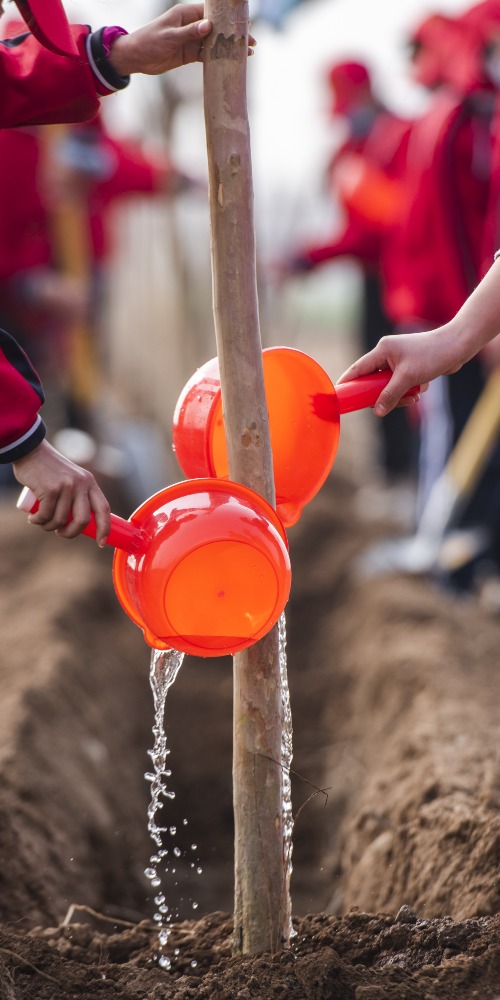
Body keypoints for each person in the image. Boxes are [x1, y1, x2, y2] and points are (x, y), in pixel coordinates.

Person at [0, 0, 252, 543]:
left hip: (74, 283)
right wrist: (22, 444)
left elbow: (116, 166)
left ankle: (71, 437)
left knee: (61, 381)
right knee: (33, 376)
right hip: (21, 291)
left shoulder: (75, 135)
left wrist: (114, 55)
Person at [279, 60, 417, 488]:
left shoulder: (401, 139)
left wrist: (309, 256)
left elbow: (379, 227)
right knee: (378, 372)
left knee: (400, 379)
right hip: (378, 277)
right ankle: (394, 472)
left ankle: (405, 475)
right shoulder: (359, 147)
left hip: (404, 280)